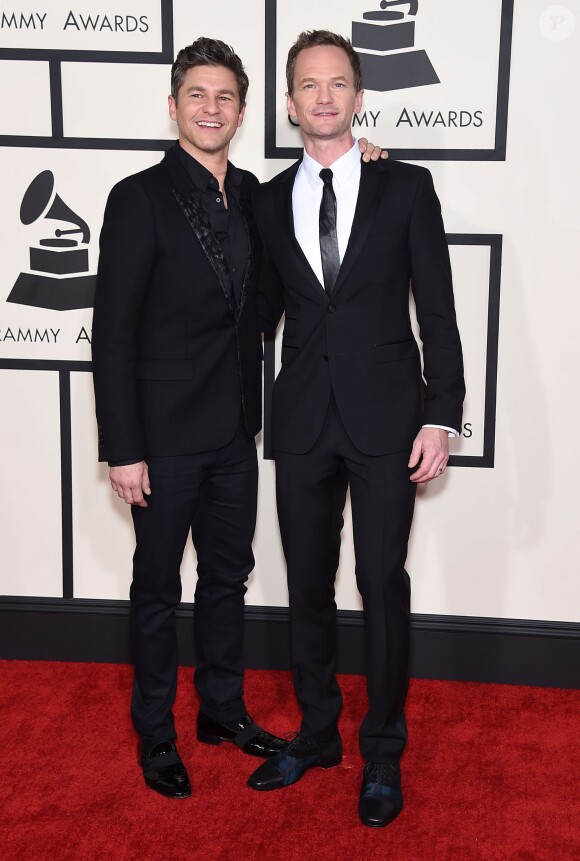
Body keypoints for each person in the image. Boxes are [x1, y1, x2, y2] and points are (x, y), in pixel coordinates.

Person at [92, 36, 384, 799]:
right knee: (157, 587)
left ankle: (220, 710)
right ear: (174, 106)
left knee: (227, 578)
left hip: (235, 432)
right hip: (159, 438)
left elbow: (324, 209)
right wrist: (123, 448)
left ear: (246, 111)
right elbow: (114, 334)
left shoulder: (256, 193)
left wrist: (367, 164)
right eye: (197, 96)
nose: (211, 109)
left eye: (225, 97)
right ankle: (156, 732)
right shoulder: (136, 198)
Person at [247, 31, 465, 829]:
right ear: (291, 101)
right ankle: (316, 732)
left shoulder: (405, 185)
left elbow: (436, 311)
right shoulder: (266, 200)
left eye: (339, 83)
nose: (326, 97)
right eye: (310, 85)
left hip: (386, 419)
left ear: (359, 95)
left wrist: (442, 413)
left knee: (381, 584)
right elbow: (258, 313)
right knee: (307, 587)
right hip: (300, 419)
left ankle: (381, 750)